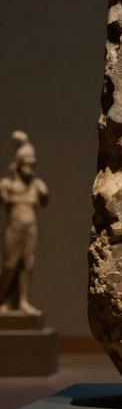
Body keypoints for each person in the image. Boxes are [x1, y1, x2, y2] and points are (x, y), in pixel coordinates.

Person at [0, 131, 49, 315]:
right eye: (26, 164)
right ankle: (2, 299)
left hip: (30, 229)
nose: (30, 167)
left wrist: (44, 193)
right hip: (14, 229)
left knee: (27, 265)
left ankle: (23, 301)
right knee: (10, 265)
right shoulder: (7, 185)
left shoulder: (37, 185)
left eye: (32, 164)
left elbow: (44, 201)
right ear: (19, 165)